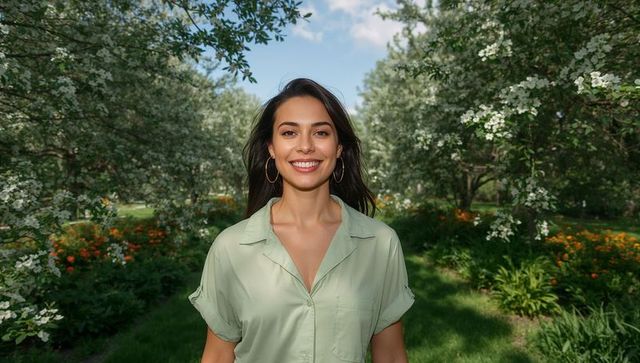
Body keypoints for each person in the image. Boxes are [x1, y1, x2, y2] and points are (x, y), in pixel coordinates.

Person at [188, 78, 415, 363]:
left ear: (339, 147)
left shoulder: (380, 244)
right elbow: (218, 356)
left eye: (320, 133)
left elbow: (391, 355)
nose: (305, 146)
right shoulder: (231, 247)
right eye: (289, 133)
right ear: (271, 147)